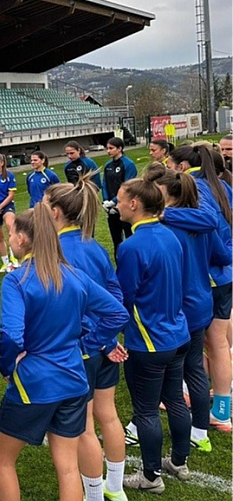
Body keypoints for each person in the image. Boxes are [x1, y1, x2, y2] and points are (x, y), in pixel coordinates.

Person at [0, 204, 127, 501]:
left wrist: (7, 366)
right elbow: (117, 313)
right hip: (74, 379)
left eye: (12, 233)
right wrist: (86, 344)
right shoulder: (73, 274)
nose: (10, 239)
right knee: (66, 466)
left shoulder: (17, 279)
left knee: (1, 457)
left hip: (35, 383)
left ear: (22, 239)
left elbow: (12, 335)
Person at [43, 179, 128, 501]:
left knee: (84, 427)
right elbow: (114, 296)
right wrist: (108, 337)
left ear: (55, 212)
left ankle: (94, 495)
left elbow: (71, 308)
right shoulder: (94, 245)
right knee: (108, 415)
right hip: (102, 343)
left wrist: (96, 340)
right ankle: (115, 488)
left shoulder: (57, 251)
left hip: (83, 349)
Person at [113, 179, 191, 494]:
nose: (116, 204)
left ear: (134, 204)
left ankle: (150, 476)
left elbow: (123, 298)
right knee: (173, 398)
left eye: (120, 199)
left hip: (149, 341)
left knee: (145, 409)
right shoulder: (171, 235)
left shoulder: (131, 246)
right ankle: (179, 461)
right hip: (177, 334)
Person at [145, 166, 230, 453]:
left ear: (167, 195)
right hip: (201, 302)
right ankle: (200, 431)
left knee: (169, 371)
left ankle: (147, 425)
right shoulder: (200, 224)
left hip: (176, 306)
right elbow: (223, 255)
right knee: (193, 367)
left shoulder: (165, 227)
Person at [165, 144, 233, 433]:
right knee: (220, 342)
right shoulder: (220, 185)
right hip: (224, 272)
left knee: (215, 342)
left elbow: (207, 222)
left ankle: (221, 409)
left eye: (169, 164)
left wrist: (161, 215)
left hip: (215, 276)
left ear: (181, 167)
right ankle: (216, 401)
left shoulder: (198, 187)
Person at [101, 137, 137, 259]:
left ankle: (132, 259)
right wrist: (106, 201)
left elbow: (128, 186)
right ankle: (119, 261)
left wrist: (114, 201)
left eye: (111, 148)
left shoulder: (128, 164)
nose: (108, 151)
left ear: (120, 148)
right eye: (107, 148)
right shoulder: (107, 165)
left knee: (129, 235)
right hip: (111, 208)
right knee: (116, 238)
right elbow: (104, 184)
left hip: (124, 206)